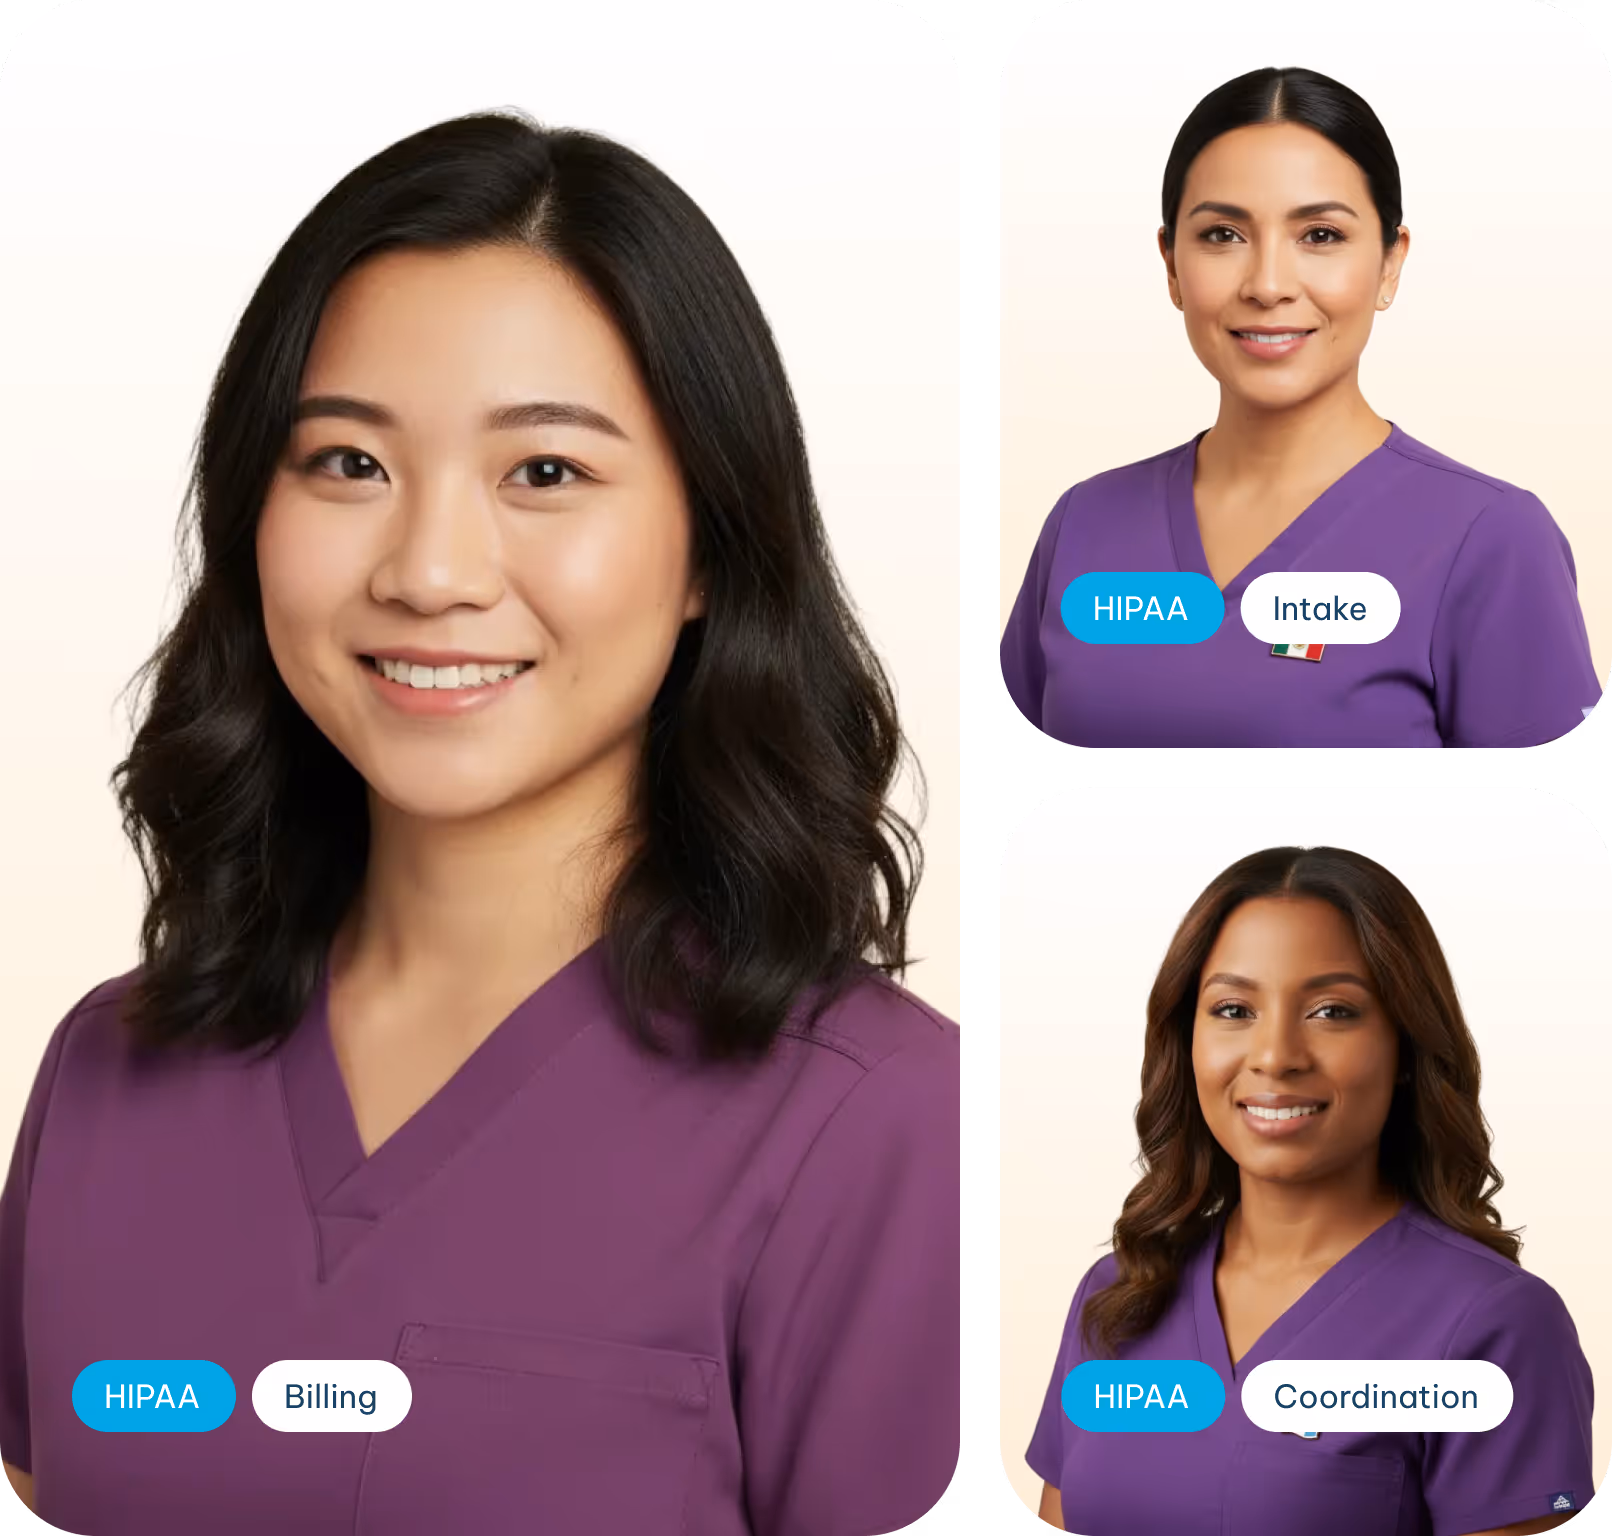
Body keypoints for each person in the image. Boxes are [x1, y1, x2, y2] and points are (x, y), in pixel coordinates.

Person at [0, 109, 958, 1536]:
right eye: (347, 465)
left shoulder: (885, 1127)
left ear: (711, 548)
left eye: (546, 473)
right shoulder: (106, 1070)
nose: (433, 570)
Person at [1001, 66, 1602, 747]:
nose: (1268, 284)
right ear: (1171, 265)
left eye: (1319, 235)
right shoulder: (1084, 522)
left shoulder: (1493, 538)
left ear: (1389, 264)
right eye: (1223, 235)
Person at [1027, 846, 1590, 1534]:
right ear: (1187, 1041)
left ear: (1406, 1047)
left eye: (1332, 1012)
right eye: (1233, 1009)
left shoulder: (1493, 1325)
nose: (1274, 1056)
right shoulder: (1118, 1295)